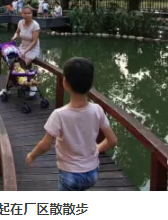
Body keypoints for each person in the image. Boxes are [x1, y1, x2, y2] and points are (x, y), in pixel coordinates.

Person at [25, 57, 117, 191]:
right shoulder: (97, 110)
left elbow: (45, 145)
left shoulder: (59, 115)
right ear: (91, 84)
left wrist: (32, 155)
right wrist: (96, 149)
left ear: (65, 83)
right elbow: (112, 140)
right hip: (92, 174)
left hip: (70, 175)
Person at [0, 5, 41, 97]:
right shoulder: (20, 22)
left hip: (32, 49)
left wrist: (26, 51)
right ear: (21, 14)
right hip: (22, 47)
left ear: (32, 14)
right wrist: (14, 37)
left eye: (29, 13)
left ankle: (32, 86)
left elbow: (34, 41)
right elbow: (17, 32)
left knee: (20, 66)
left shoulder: (35, 25)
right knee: (13, 67)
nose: (27, 15)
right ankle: (7, 88)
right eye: (25, 13)